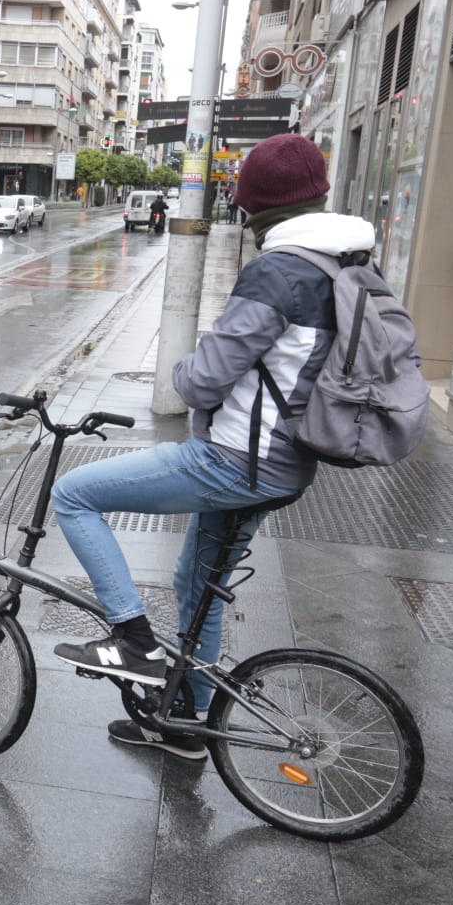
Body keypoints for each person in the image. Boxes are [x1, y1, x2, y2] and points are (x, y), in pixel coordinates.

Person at [48, 134, 375, 760]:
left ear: (255, 207)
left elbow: (203, 378)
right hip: (286, 463)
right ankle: (187, 723)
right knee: (195, 585)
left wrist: (178, 373)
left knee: (74, 495)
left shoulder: (280, 271)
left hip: (234, 462)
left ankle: (132, 638)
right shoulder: (348, 262)